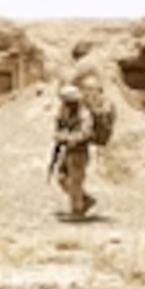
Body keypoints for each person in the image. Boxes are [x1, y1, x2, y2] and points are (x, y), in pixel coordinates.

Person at [53, 83, 96, 219]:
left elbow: (86, 133)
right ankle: (84, 200)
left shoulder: (84, 114)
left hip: (79, 151)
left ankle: (77, 211)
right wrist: (59, 135)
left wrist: (68, 138)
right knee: (61, 178)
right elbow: (58, 125)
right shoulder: (65, 111)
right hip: (68, 150)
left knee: (75, 181)